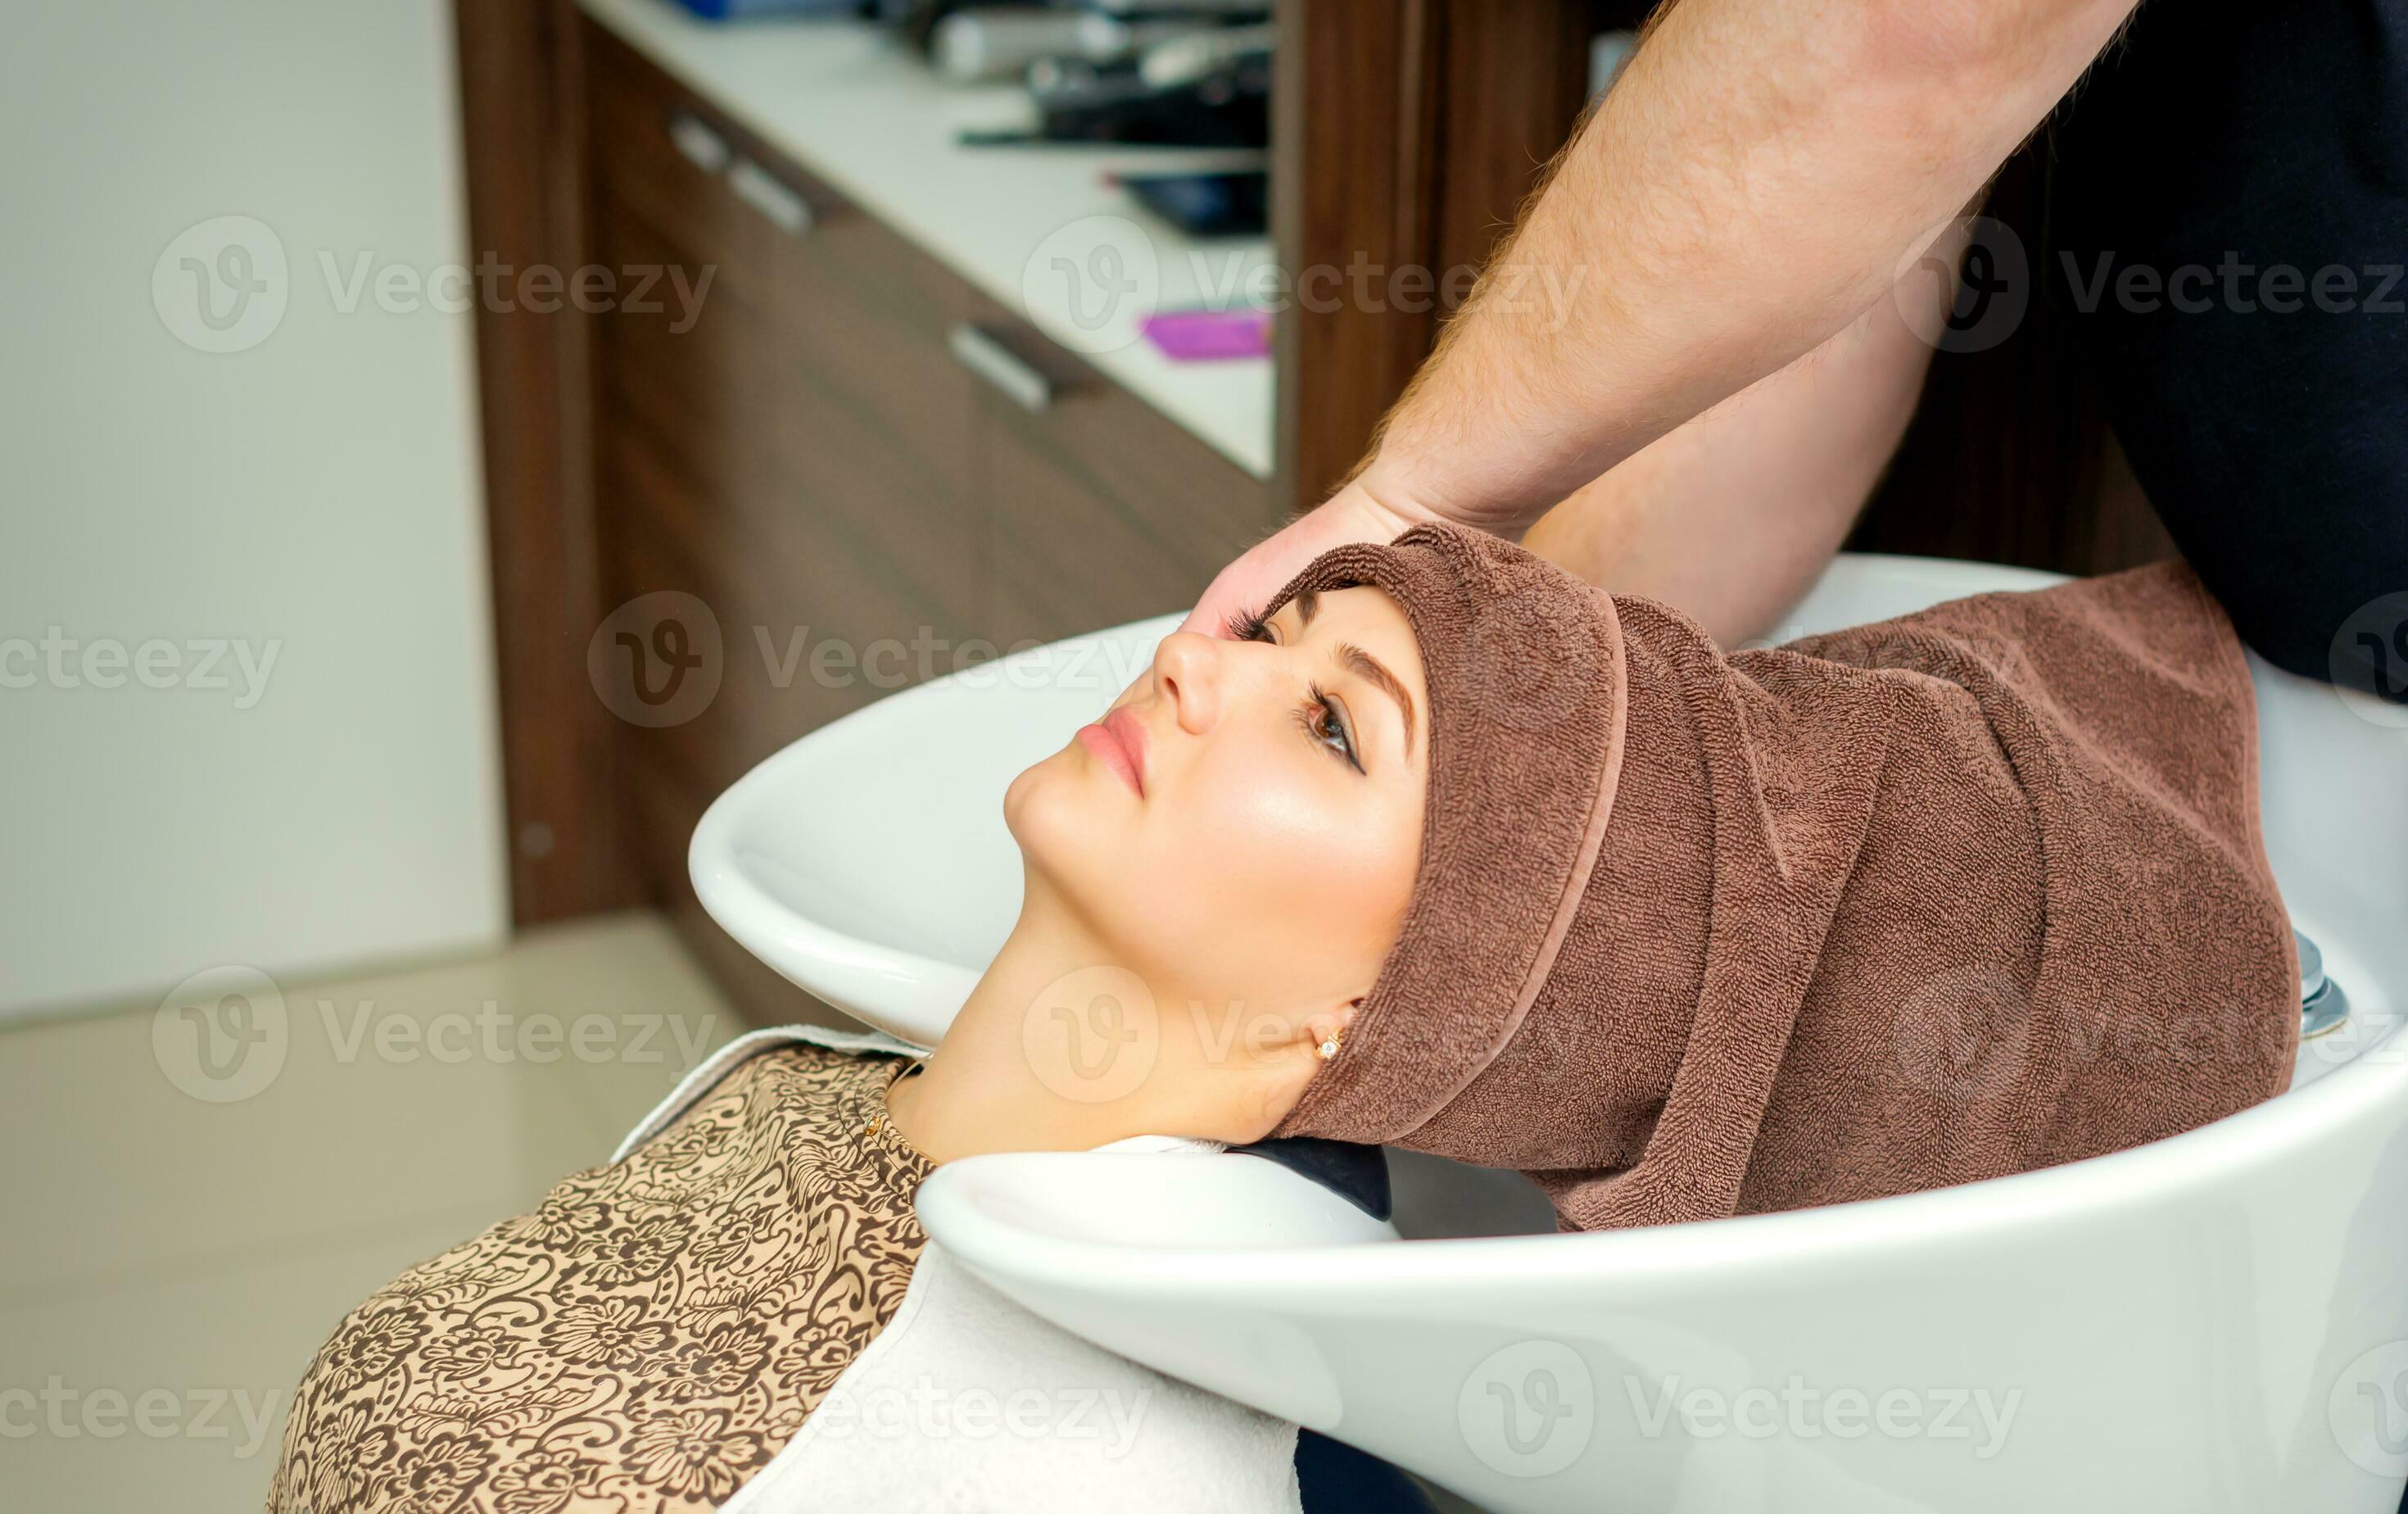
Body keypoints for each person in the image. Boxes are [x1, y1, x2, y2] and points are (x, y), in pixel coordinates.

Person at [269, 518, 2300, 1512]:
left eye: (1332, 723)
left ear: (1382, 1009)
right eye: (1276, 632)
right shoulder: (811, 1096)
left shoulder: (1111, 1454)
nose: (1201, 662)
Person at [1186, 0, 2405, 691]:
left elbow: (1912, 19)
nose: (1190, 692)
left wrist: (1414, 495)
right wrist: (1494, 702)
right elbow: (1832, 266)